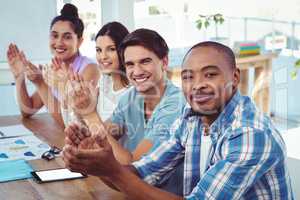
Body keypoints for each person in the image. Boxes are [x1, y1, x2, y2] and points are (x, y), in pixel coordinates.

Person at [63, 41, 294, 199]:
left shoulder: (250, 133)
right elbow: (140, 172)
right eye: (188, 77)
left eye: (210, 74)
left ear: (234, 78)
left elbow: (124, 173)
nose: (197, 84)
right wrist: (95, 162)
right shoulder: (190, 119)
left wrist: (111, 170)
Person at [65, 28, 185, 194]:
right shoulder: (130, 97)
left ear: (164, 62)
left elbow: (133, 168)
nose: (136, 71)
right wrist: (83, 137)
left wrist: (90, 115)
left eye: (145, 61)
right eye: (130, 64)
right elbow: (101, 140)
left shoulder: (176, 105)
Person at [6, 3, 99, 128]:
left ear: (80, 41)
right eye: (54, 36)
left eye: (67, 37)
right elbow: (28, 110)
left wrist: (41, 84)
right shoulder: (53, 68)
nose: (59, 43)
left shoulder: (90, 69)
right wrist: (19, 77)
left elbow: (74, 124)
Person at [94, 21, 130, 121]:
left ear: (123, 50)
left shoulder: (132, 91)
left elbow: (105, 133)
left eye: (111, 49)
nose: (103, 57)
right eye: (99, 50)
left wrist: (89, 112)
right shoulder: (104, 81)